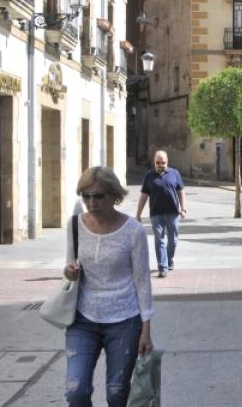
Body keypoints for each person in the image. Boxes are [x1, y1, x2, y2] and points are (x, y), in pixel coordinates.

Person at [63, 166, 154, 406]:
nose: (91, 203)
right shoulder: (75, 225)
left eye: (98, 196)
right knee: (76, 391)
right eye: (86, 196)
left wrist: (146, 328)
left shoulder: (133, 231)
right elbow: (70, 265)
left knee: (117, 394)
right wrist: (69, 271)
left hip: (125, 321)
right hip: (83, 319)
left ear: (115, 195)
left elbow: (142, 280)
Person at [136, 150, 186, 278]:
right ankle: (162, 267)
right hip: (156, 214)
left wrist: (183, 208)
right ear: (154, 162)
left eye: (163, 162)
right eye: (158, 162)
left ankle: (169, 259)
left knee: (173, 240)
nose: (160, 165)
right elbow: (143, 196)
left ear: (167, 162)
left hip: (173, 213)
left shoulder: (174, 174)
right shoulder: (149, 176)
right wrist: (138, 214)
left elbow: (181, 192)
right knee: (159, 241)